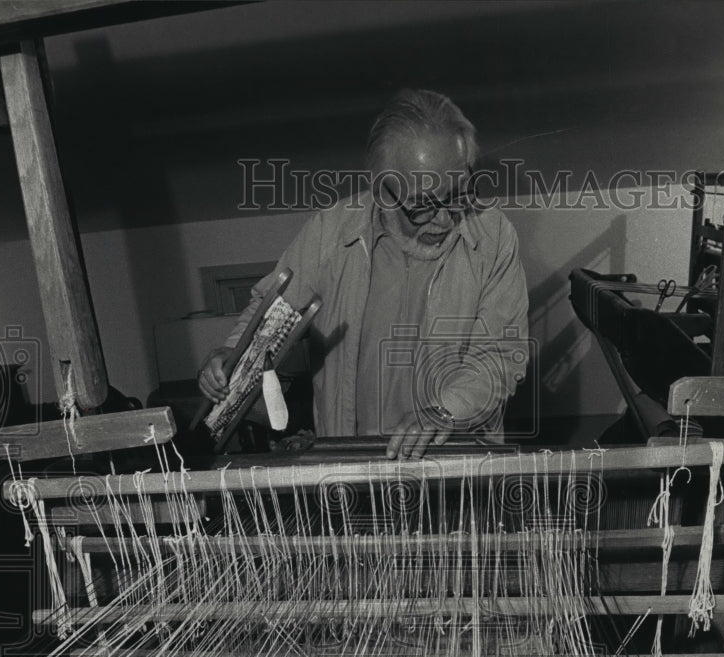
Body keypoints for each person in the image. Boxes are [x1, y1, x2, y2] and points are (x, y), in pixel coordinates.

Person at [198, 89, 529, 459]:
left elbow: (500, 354)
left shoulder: (495, 237)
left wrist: (445, 411)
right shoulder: (328, 232)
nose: (446, 218)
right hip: (352, 465)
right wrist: (230, 354)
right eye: (422, 205)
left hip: (453, 467)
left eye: (457, 194)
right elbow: (272, 316)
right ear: (382, 190)